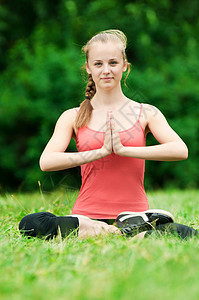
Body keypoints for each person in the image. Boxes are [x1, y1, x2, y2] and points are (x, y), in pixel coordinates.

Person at [19, 30, 198, 240]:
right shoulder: (72, 116)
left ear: (124, 65)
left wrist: (123, 150)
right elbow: (47, 161)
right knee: (30, 224)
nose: (106, 70)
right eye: (98, 64)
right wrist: (99, 152)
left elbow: (180, 150)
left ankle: (134, 223)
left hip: (134, 210)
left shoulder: (145, 112)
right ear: (88, 68)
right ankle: (121, 232)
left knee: (187, 234)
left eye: (113, 63)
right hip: (85, 217)